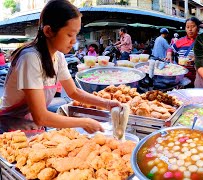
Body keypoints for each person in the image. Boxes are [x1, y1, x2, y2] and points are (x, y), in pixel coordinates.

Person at [0, 0, 121, 133]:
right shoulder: (30, 58)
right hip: (10, 133)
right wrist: (84, 122)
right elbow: (41, 117)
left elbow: (74, 92)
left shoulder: (58, 57)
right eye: (69, 34)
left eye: (76, 34)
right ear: (48, 31)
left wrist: (107, 104)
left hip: (33, 130)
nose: (74, 41)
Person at [166, 17, 202, 87]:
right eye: (187, 27)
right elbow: (170, 48)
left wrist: (198, 57)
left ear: (198, 28)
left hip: (198, 76)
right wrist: (169, 54)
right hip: (182, 76)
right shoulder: (180, 41)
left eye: (193, 26)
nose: (190, 29)